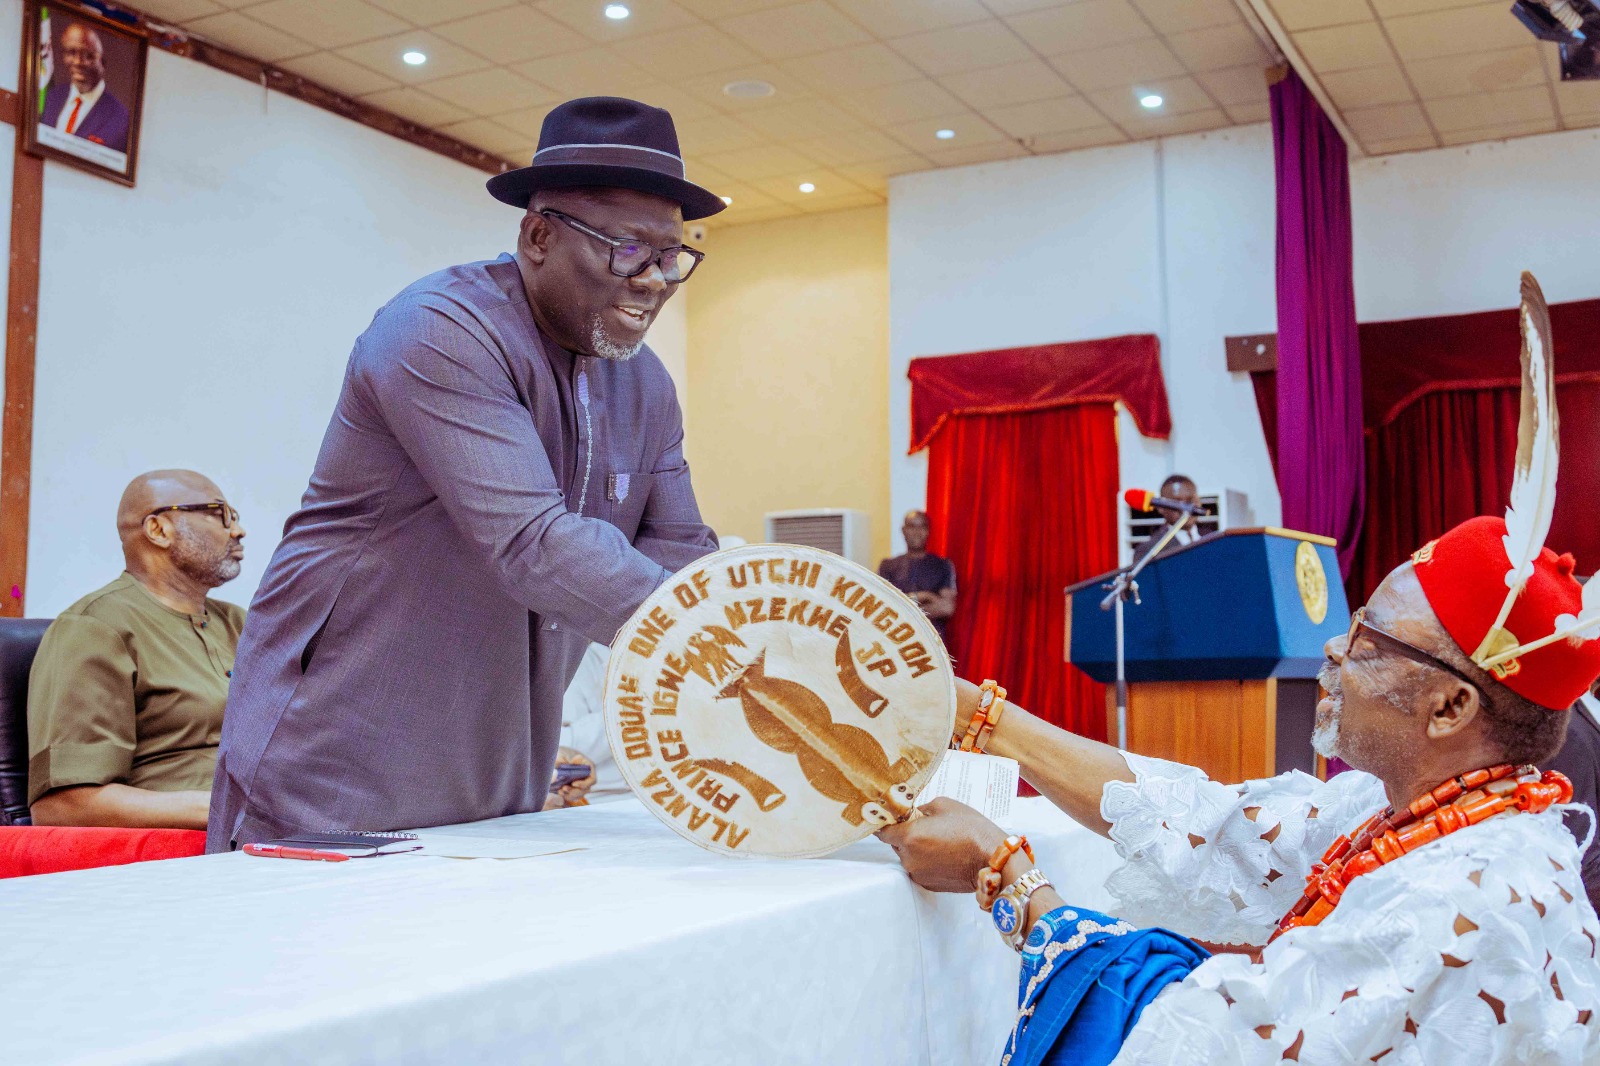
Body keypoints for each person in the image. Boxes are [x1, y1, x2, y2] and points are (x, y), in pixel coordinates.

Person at [882, 514, 1600, 1064]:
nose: (1333, 649)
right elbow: (1211, 825)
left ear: (1449, 708)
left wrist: (1002, 872)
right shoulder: (1410, 809)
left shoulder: (1466, 898)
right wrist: (982, 716)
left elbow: (1195, 1043)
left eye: (1368, 643)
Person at [208, 97, 724, 851]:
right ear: (538, 235)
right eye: (626, 248)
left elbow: (683, 554)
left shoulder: (644, 384)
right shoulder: (440, 328)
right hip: (337, 761)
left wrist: (766, 629)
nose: (654, 279)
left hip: (504, 772)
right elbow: (533, 543)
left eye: (670, 255)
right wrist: (738, 647)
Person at [28, 470, 247, 829]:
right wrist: (228, 810)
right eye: (219, 514)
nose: (237, 531)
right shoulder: (96, 627)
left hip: (282, 828)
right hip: (186, 850)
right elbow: (64, 806)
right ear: (159, 529)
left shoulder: (243, 625)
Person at [39, 22, 131, 154]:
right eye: (71, 53)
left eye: (88, 55)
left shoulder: (122, 120)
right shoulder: (50, 98)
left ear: (103, 63)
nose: (77, 62)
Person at [878, 511, 957, 642]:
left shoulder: (942, 565)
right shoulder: (888, 566)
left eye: (922, 527)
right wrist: (926, 596)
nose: (917, 532)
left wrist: (904, 609)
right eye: (912, 526)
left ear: (928, 530)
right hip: (896, 641)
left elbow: (946, 608)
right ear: (904, 530)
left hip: (932, 642)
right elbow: (883, 608)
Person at [1130, 473, 1203, 563]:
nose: (1185, 509)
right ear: (1161, 508)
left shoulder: (1212, 539)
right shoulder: (1149, 550)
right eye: (1176, 503)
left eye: (1190, 501)